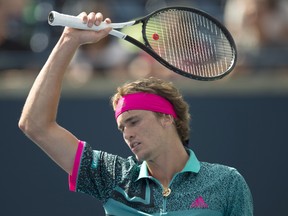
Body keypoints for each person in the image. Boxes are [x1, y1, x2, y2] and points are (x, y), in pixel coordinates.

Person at [18, 11, 253, 215]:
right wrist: (69, 39)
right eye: (122, 127)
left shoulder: (227, 183)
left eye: (134, 121)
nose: (127, 134)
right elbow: (34, 124)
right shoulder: (111, 177)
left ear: (167, 117)